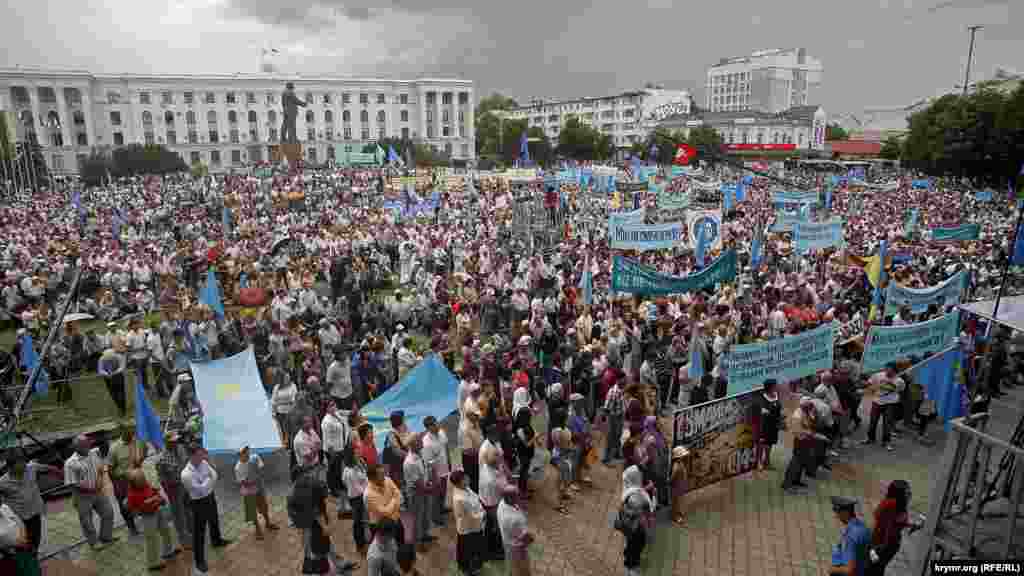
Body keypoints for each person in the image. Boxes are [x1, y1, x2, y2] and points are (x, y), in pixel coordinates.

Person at [289, 465, 359, 574]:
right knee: (316, 551)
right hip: (311, 524)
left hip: (307, 524)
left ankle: (338, 564)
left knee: (321, 546)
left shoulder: (296, 488)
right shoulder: (305, 488)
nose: (309, 476)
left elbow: (296, 513)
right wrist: (324, 526)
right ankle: (323, 570)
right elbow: (315, 510)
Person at [180, 445, 231, 575]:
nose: (202, 457)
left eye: (202, 454)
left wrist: (206, 482)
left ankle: (217, 540)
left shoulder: (203, 463)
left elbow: (215, 475)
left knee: (214, 519)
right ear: (191, 456)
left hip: (209, 497)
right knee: (199, 532)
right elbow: (200, 490)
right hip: (198, 503)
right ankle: (199, 560)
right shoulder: (186, 474)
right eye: (198, 455)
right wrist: (209, 481)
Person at [0, 453, 61, 555]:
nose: (24, 466)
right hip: (19, 518)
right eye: (20, 464)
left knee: (35, 539)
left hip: (34, 512)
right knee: (21, 542)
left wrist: (60, 473)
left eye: (24, 462)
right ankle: (25, 560)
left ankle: (33, 558)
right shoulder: (2, 482)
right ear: (11, 467)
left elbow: (50, 468)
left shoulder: (31, 468)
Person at [64, 434, 116, 549]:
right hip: (82, 497)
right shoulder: (70, 463)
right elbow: (72, 483)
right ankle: (94, 542)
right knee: (87, 521)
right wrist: (90, 489)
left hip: (98, 492)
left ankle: (106, 537)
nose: (88, 446)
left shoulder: (94, 453)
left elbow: (104, 454)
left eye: (88, 444)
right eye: (84, 445)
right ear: (76, 447)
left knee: (108, 513)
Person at [125, 468, 179, 571]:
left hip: (157, 511)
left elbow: (154, 492)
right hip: (147, 517)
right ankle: (153, 563)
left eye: (143, 479)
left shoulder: (145, 485)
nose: (143, 482)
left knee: (165, 529)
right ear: (134, 483)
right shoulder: (132, 494)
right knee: (151, 539)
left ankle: (168, 550)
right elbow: (133, 511)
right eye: (140, 481)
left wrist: (159, 499)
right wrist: (144, 507)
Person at [867, 480, 920, 576]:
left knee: (878, 568)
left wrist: (911, 524)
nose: (910, 494)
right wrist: (874, 549)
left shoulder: (899, 504)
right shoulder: (891, 504)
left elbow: (897, 521)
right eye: (907, 492)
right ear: (899, 493)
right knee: (875, 569)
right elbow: (881, 524)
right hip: (882, 545)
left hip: (889, 544)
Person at [155, 432, 191, 549]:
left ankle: (190, 531)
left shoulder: (180, 448)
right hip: (173, 488)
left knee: (187, 508)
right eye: (173, 441)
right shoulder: (162, 458)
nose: (175, 443)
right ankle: (183, 539)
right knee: (178, 513)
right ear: (167, 442)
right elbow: (163, 478)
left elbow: (185, 462)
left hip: (184, 483)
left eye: (176, 440)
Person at [234, 445, 279, 540]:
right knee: (252, 511)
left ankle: (268, 523)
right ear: (239, 455)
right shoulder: (238, 467)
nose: (246, 454)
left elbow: (261, 468)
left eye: (247, 451)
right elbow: (242, 482)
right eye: (243, 453)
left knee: (264, 506)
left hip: (258, 487)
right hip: (248, 490)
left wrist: (258, 469)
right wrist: (251, 482)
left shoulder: (254, 457)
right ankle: (257, 529)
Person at [108, 423, 142, 536]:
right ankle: (131, 527)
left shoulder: (136, 442)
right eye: (129, 432)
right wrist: (116, 485)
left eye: (133, 432)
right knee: (124, 505)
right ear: (122, 432)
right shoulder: (114, 448)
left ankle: (142, 518)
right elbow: (110, 469)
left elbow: (139, 459)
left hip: (136, 478)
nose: (132, 434)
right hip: (123, 481)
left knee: (139, 500)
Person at [619, 465, 653, 576]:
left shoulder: (632, 491)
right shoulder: (633, 495)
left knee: (637, 543)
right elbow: (638, 509)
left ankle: (632, 562)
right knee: (634, 545)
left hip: (637, 525)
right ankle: (630, 567)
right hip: (635, 526)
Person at [451, 469, 485, 576]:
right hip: (468, 527)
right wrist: (483, 514)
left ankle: (472, 565)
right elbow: (472, 515)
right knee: (467, 550)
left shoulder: (465, 488)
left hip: (473, 523)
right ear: (459, 483)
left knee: (472, 547)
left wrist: (480, 509)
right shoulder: (460, 498)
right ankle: (468, 570)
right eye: (465, 478)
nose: (468, 479)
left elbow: (476, 499)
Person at [863, 364, 905, 451]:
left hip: (890, 403)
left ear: (894, 370)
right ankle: (870, 438)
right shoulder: (878, 375)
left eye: (889, 369)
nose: (887, 371)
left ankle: (886, 442)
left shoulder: (899, 380)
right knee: (873, 421)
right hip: (877, 401)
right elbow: (869, 383)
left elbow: (901, 390)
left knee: (887, 423)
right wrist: (865, 383)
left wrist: (894, 395)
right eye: (886, 369)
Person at [321, 400, 351, 518]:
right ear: (326, 408)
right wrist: (334, 457)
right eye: (331, 405)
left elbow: (344, 414)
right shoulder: (326, 422)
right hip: (334, 453)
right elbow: (327, 441)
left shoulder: (337, 414)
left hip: (342, 449)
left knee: (342, 477)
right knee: (337, 479)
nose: (334, 407)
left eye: (334, 405)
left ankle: (345, 503)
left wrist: (351, 412)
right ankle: (341, 506)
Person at [828, 496, 871, 576]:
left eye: (836, 511)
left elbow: (849, 570)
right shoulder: (864, 528)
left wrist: (832, 570)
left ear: (845, 512)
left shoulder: (851, 535)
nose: (836, 515)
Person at [420, 416, 450, 528]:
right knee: (436, 496)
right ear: (428, 428)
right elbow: (429, 463)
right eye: (433, 425)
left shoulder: (442, 432)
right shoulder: (426, 443)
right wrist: (434, 477)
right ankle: (436, 517)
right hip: (436, 474)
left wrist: (450, 462)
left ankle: (442, 508)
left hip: (445, 468)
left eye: (436, 423)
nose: (437, 426)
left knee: (443, 492)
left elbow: (446, 447)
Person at [497, 484, 533, 576]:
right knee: (521, 568)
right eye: (517, 495)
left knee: (512, 563)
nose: (520, 496)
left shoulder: (502, 503)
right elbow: (525, 538)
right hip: (517, 546)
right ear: (510, 499)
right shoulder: (514, 519)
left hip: (507, 541)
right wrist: (531, 538)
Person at [0, 494, 40, 576]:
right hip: (7, 558)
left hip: (23, 550)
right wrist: (12, 546)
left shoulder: (4, 508)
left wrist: (23, 538)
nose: (2, 498)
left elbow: (20, 522)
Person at [341, 448, 368, 553]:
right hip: (357, 498)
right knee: (358, 522)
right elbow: (357, 488)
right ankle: (360, 545)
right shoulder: (350, 472)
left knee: (361, 521)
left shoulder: (357, 465)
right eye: (356, 454)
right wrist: (367, 490)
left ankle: (363, 542)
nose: (359, 454)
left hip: (360, 496)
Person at [753, 379, 783, 470]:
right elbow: (758, 409)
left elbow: (778, 407)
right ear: (770, 387)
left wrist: (781, 418)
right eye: (775, 385)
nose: (777, 386)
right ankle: (758, 462)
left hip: (774, 424)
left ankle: (767, 461)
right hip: (764, 424)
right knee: (761, 444)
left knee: (770, 444)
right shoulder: (762, 397)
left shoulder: (776, 395)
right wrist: (762, 410)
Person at [670, 446, 691, 525]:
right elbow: (673, 476)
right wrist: (670, 481)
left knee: (679, 500)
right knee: (676, 501)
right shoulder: (676, 466)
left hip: (680, 484)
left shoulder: (680, 463)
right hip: (677, 485)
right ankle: (676, 516)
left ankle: (678, 513)